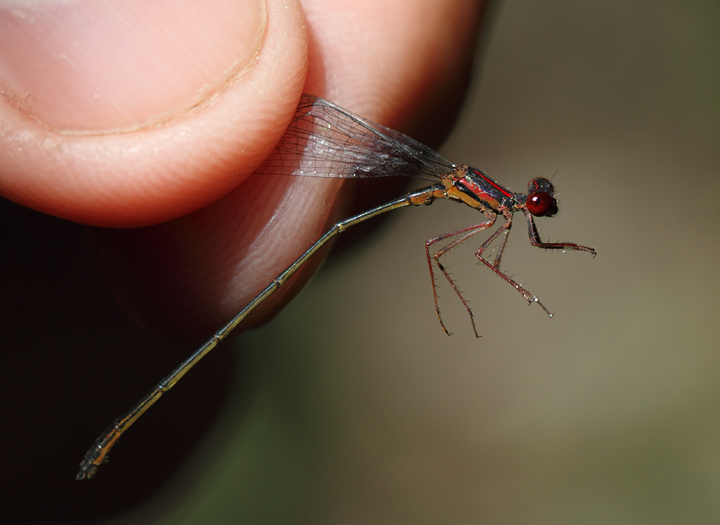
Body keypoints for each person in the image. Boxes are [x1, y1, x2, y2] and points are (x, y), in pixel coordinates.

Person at [0, 0, 485, 520]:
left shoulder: (492, 206)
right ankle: (108, 437)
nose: (533, 208)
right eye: (534, 204)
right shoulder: (481, 198)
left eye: (536, 204)